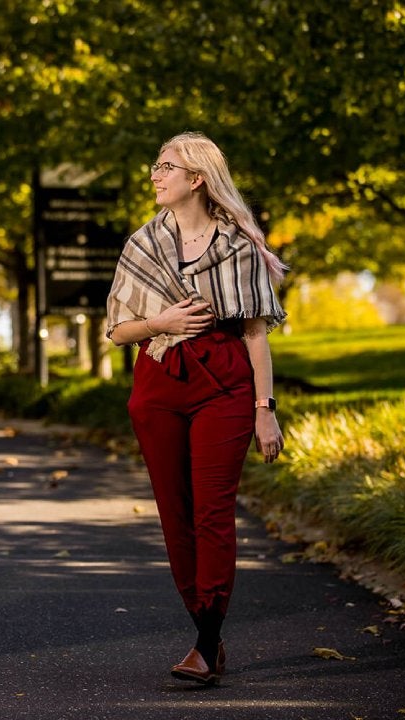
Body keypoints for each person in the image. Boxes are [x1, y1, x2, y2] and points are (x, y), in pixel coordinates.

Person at [106, 131, 287, 685]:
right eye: (156, 165)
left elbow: (256, 333)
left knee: (212, 512)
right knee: (175, 513)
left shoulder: (238, 246)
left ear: (197, 179)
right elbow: (117, 331)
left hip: (224, 384)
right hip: (159, 381)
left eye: (167, 166)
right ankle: (205, 628)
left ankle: (206, 642)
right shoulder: (143, 244)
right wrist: (161, 322)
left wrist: (264, 408)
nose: (155, 174)